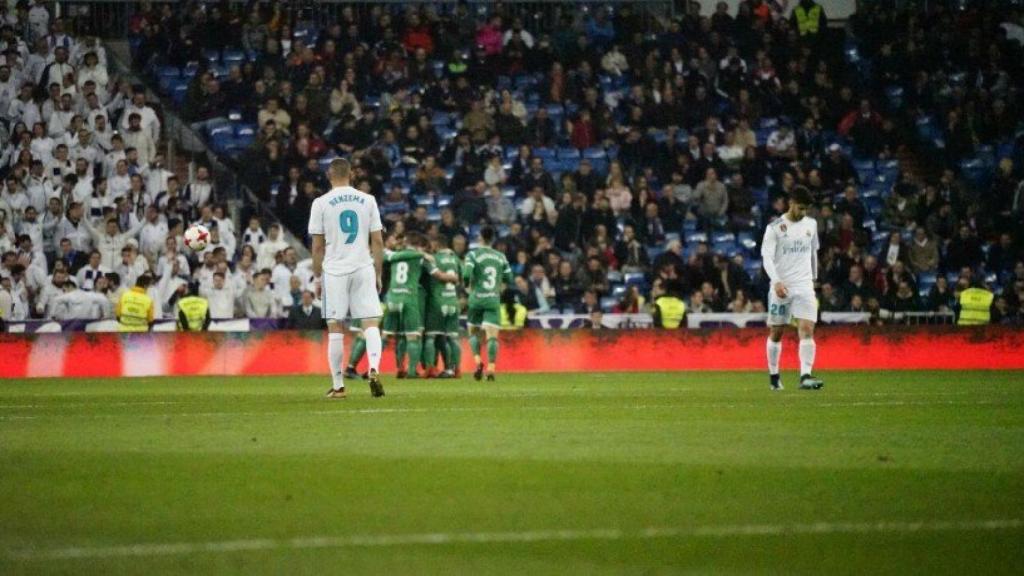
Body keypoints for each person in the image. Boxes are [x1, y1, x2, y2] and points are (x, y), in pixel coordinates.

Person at [308, 158, 386, 399]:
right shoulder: (368, 200)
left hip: (334, 271)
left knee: (335, 327)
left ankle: (339, 385)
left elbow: (318, 246)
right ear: (351, 174)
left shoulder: (320, 203)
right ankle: (373, 368)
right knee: (370, 323)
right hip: (363, 267)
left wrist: (318, 276)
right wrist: (379, 272)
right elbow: (378, 241)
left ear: (329, 176)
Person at [761, 187, 824, 391]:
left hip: (804, 285)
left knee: (807, 329)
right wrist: (776, 281)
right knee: (777, 332)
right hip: (782, 286)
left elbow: (813, 253)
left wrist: (814, 279)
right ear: (791, 203)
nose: (803, 213)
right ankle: (774, 376)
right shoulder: (775, 228)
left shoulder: (811, 225)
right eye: (800, 208)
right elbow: (767, 258)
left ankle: (805, 375)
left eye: (806, 209)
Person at [463, 226, 513, 381]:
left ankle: (478, 361)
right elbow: (509, 278)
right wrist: (500, 287)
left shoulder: (472, 255)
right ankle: (491, 368)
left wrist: (467, 286)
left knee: (473, 332)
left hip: (476, 298)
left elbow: (466, 274)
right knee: (492, 337)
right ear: (492, 239)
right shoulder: (501, 257)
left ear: (480, 238)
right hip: (492, 298)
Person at [423, 237, 463, 378]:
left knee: (431, 337)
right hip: (453, 300)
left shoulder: (433, 259)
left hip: (437, 302)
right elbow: (462, 279)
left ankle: (430, 369)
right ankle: (455, 369)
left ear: (436, 244)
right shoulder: (456, 259)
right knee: (453, 338)